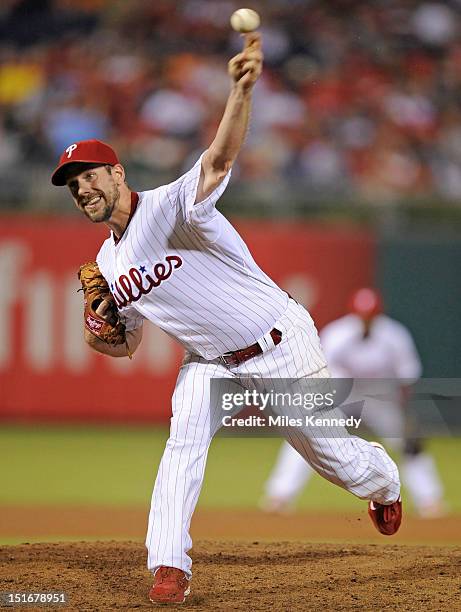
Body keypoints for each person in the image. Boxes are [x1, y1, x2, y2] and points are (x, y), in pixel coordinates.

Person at [51, 35, 402, 606]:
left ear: (117, 173)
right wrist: (100, 334)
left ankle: (382, 482)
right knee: (181, 444)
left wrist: (241, 91)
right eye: (73, 184)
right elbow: (126, 345)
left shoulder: (169, 205)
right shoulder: (107, 264)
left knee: (332, 455)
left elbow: (219, 159)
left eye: (90, 174)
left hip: (278, 341)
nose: (82, 187)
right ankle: (168, 564)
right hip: (208, 364)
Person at [262, 287, 446, 519]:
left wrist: (407, 414)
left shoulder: (395, 336)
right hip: (344, 394)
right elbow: (319, 372)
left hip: (381, 399)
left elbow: (407, 378)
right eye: (361, 315)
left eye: (370, 315)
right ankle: (279, 496)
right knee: (307, 436)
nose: (365, 320)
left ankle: (430, 500)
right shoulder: (338, 333)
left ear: (378, 314)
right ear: (354, 313)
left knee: (409, 442)